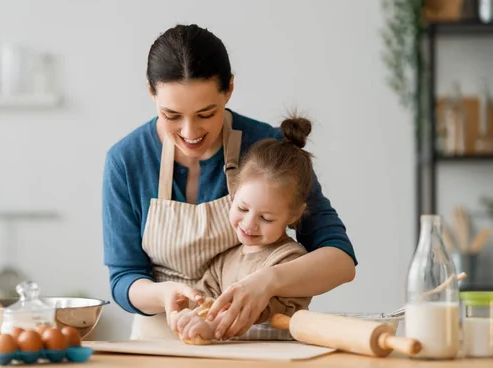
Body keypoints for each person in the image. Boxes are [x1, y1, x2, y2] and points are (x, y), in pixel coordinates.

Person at [102, 23, 357, 341]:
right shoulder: (126, 161)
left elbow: (341, 261)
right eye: (172, 115)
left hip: (257, 338)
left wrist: (267, 281)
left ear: (230, 90)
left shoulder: (266, 146)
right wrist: (163, 294)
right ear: (151, 92)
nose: (190, 132)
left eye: (206, 113)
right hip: (163, 339)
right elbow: (124, 278)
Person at [170, 115, 316, 343]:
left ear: (294, 215)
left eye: (266, 218)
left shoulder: (291, 259)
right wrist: (191, 315)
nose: (249, 224)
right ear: (233, 194)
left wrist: (212, 326)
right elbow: (205, 300)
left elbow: (260, 311)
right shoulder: (224, 259)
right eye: (242, 208)